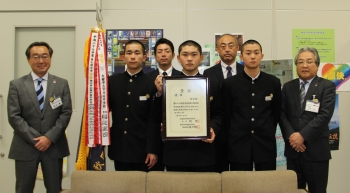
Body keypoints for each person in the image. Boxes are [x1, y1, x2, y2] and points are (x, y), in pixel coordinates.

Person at [7, 42, 72, 193]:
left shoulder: (61, 84)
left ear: (50, 58)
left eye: (45, 56)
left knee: (55, 189)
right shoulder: (16, 85)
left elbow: (65, 113)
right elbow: (14, 116)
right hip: (26, 146)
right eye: (35, 57)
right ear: (28, 60)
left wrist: (48, 137)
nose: (41, 61)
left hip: (54, 146)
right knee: (24, 189)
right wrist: (36, 139)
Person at [154, 40, 223, 172]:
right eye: (185, 55)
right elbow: (156, 114)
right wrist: (159, 93)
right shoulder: (168, 83)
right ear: (178, 58)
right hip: (175, 153)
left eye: (194, 54)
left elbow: (219, 113)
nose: (189, 59)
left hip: (203, 152)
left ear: (201, 57)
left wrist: (213, 128)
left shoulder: (212, 83)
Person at [280, 47, 335, 193]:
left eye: (309, 61)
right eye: (300, 62)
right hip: (293, 151)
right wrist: (293, 137)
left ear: (317, 65)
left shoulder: (326, 86)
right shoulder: (287, 87)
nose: (304, 65)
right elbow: (282, 115)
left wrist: (302, 136)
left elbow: (324, 115)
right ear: (296, 65)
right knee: (294, 190)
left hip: (316, 151)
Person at [221, 39, 281, 171]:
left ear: (262, 56)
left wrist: (268, 130)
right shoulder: (230, 84)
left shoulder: (273, 82)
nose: (252, 56)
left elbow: (276, 113)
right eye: (248, 53)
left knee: (267, 185)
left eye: (256, 52)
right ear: (241, 57)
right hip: (239, 144)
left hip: (265, 144)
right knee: (239, 186)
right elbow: (227, 114)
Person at [108, 40, 159, 171]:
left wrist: (152, 150)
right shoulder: (112, 81)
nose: (132, 56)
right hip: (120, 147)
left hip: (142, 149)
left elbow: (154, 120)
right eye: (129, 53)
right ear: (124, 57)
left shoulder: (151, 83)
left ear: (144, 57)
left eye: (137, 53)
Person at [203, 33, 244, 172]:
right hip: (217, 135)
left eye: (231, 46)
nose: (227, 49)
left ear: (238, 48)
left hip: (240, 134)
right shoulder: (207, 74)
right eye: (223, 46)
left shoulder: (245, 71)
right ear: (217, 49)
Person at [147, 38, 181, 171]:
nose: (163, 54)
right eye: (159, 51)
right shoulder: (147, 78)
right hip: (155, 138)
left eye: (167, 51)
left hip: (177, 139)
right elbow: (148, 111)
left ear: (173, 55)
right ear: (155, 55)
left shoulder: (182, 76)